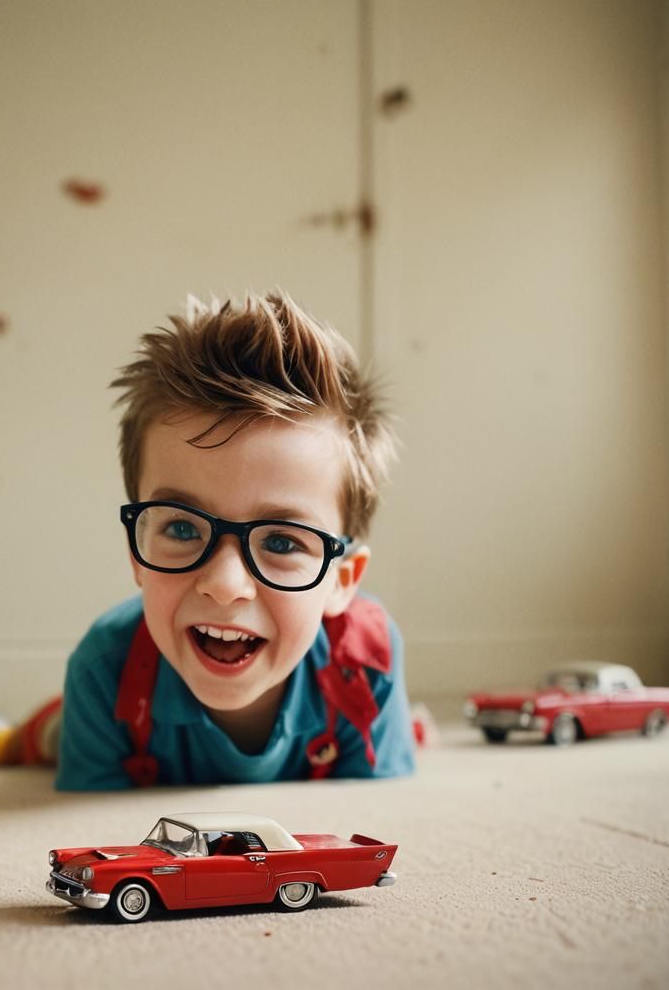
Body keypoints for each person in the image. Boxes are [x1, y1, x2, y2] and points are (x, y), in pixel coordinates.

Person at [26, 291, 414, 789]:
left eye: (281, 542)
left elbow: (375, 833)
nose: (226, 585)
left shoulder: (366, 663)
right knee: (43, 741)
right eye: (183, 528)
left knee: (410, 733)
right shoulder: (104, 670)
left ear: (342, 581)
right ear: (136, 553)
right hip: (120, 719)